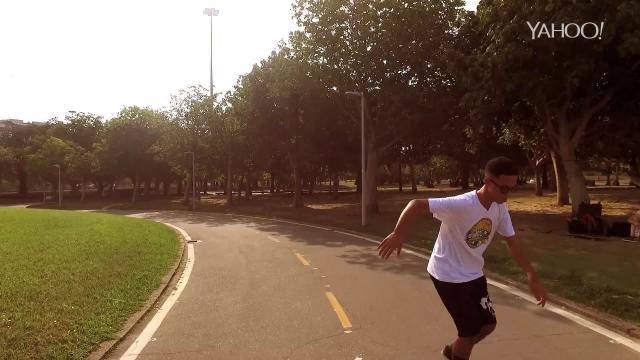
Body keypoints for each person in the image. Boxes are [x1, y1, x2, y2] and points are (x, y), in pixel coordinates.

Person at [377, 157, 547, 360]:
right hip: (447, 273)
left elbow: (512, 242)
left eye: (513, 188)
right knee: (468, 333)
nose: (508, 195)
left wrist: (531, 275)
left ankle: (452, 352)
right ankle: (459, 352)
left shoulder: (499, 208)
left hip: (473, 273)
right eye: (504, 189)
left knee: (487, 325)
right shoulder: (463, 204)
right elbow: (415, 205)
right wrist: (398, 234)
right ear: (488, 181)